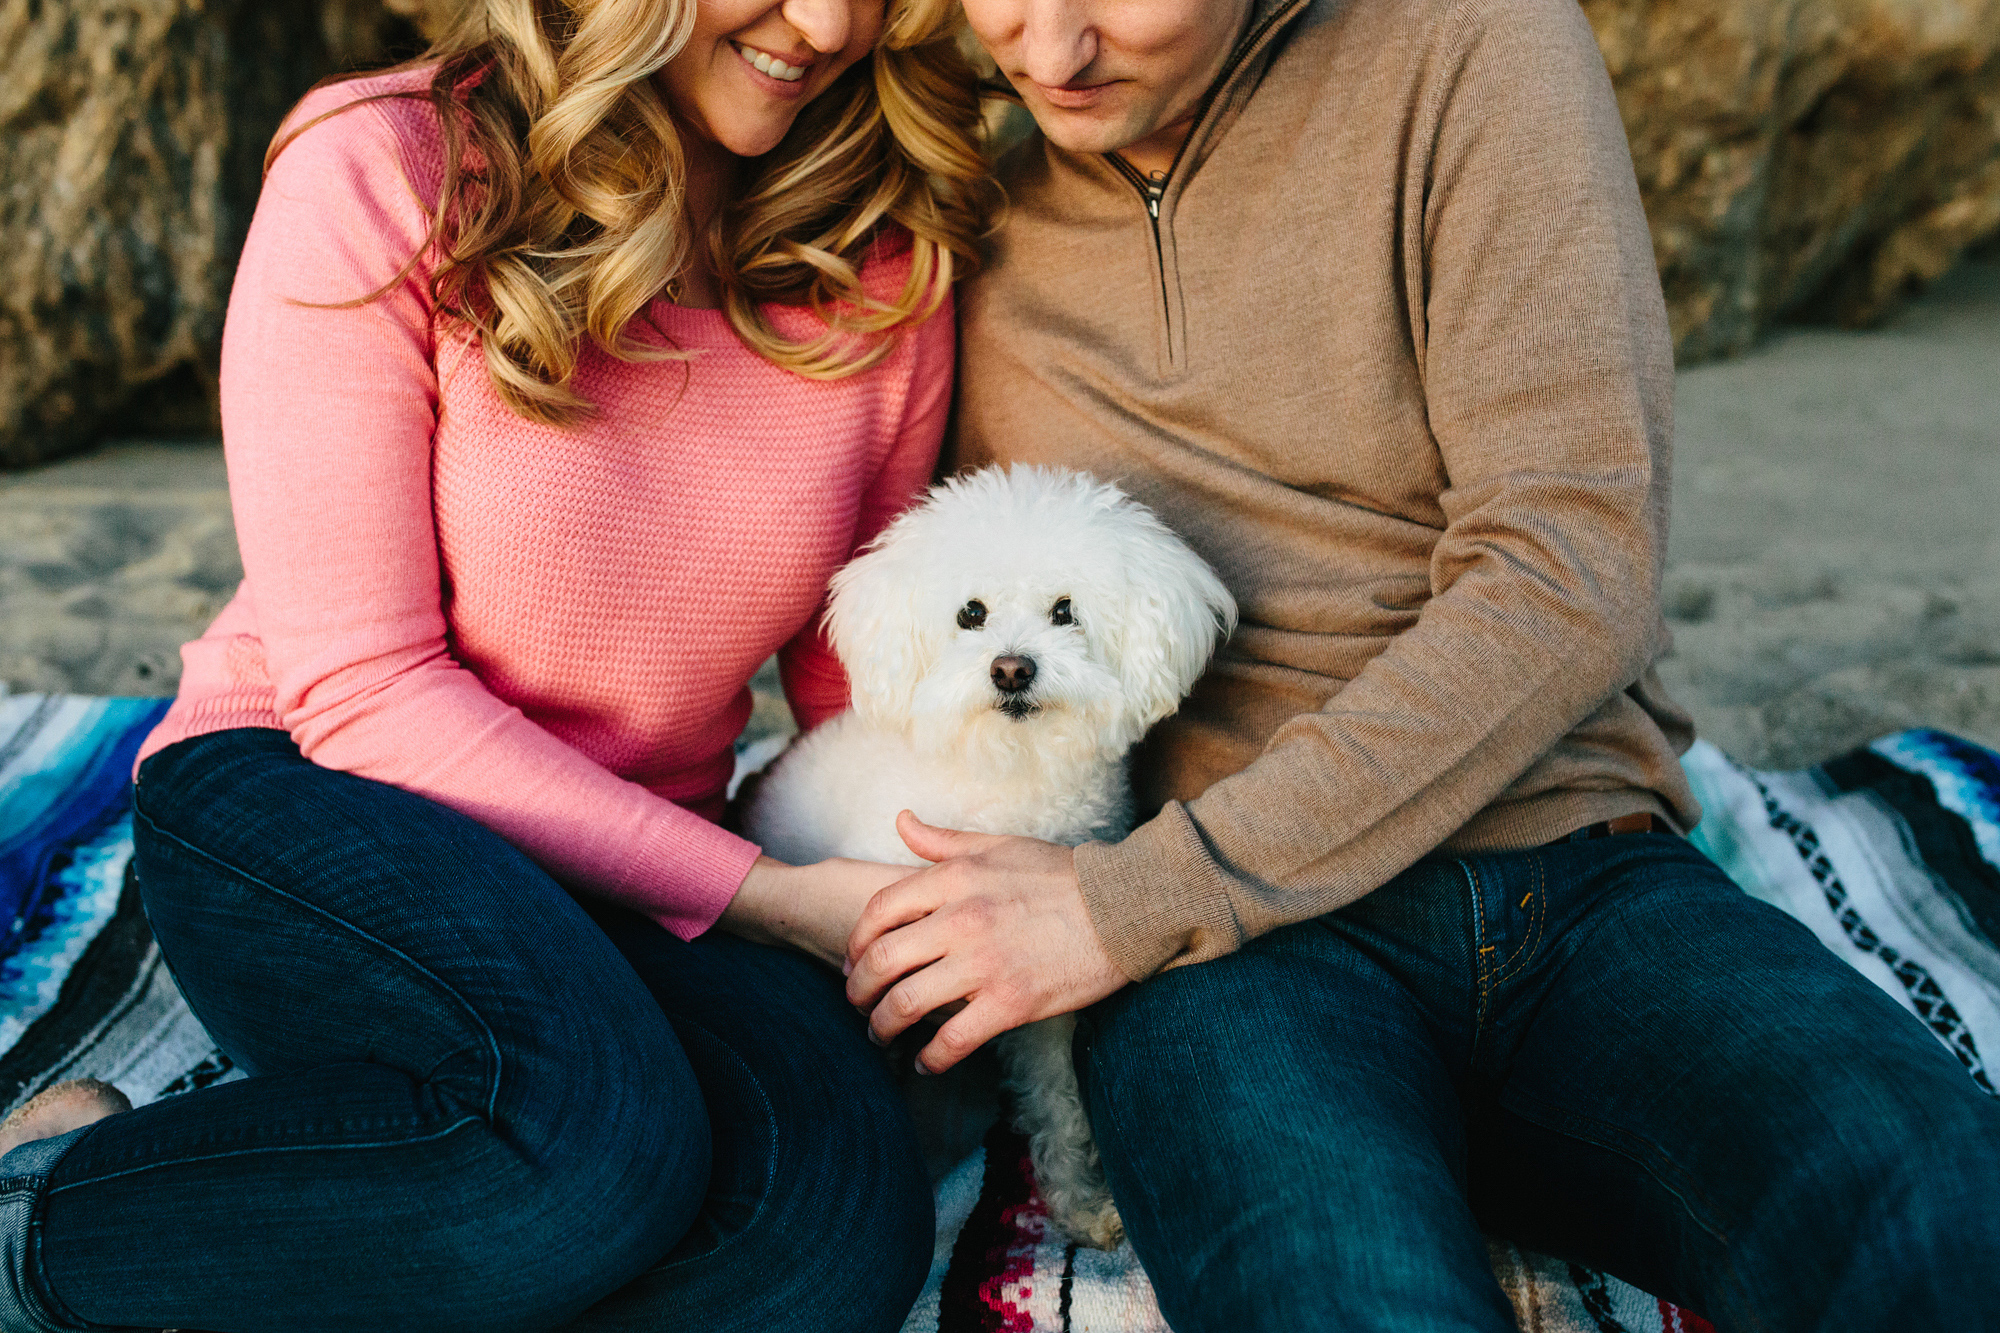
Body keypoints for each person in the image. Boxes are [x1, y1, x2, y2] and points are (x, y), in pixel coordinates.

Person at [840, 0, 2000, 1328]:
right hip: (1232, 969)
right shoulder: (949, 187)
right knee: (1347, 1294)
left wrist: (1130, 899)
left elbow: (1572, 562)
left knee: (1934, 1193)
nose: (1049, 57)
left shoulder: (1473, 45)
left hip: (1572, 871)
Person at [0, 1, 993, 1330]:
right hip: (308, 790)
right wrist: (773, 897)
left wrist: (946, 878)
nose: (823, 24)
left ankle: (315, 1203)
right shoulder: (381, 167)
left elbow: (855, 689)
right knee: (582, 1151)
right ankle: (42, 1212)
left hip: (636, 860)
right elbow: (364, 693)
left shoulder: (879, 254)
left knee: (826, 1245)